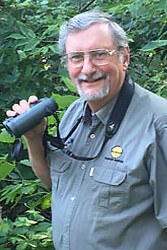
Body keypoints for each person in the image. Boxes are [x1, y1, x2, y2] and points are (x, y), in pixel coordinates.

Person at [6, 10, 167, 250]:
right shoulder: (73, 114)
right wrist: (34, 138)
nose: (88, 68)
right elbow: (57, 185)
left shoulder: (159, 124)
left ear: (124, 57)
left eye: (99, 54)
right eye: (76, 57)